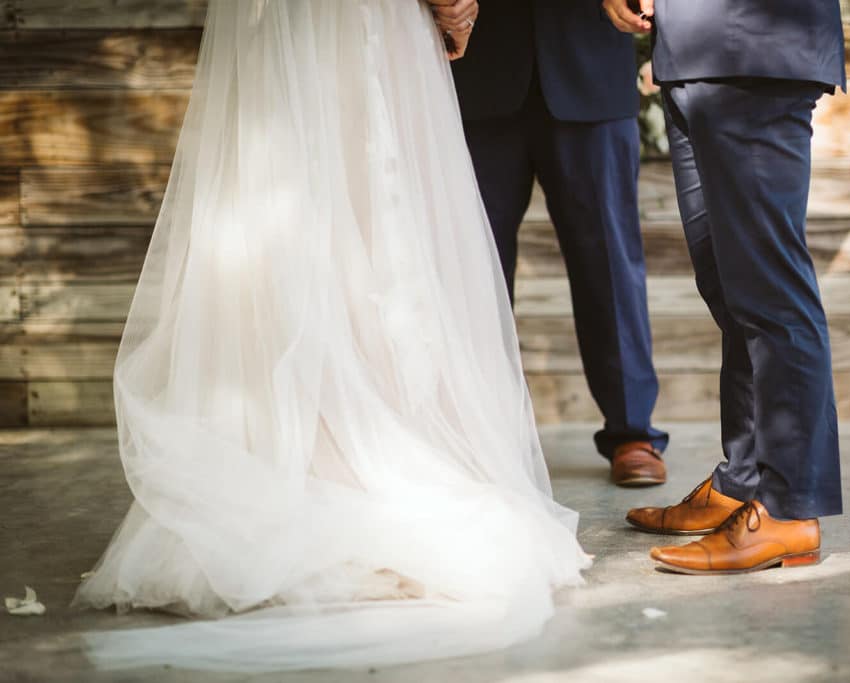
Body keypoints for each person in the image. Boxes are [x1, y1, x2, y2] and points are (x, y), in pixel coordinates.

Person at [72, 0, 589, 671]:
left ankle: (292, 446)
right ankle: (369, 448)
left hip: (280, 24)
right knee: (371, 203)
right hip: (367, 20)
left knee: (288, 199)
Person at [604, 0, 845, 574]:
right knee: (729, 286)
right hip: (689, 48)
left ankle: (788, 510)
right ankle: (743, 482)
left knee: (772, 290)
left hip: (759, 45)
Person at [446, 0, 669, 487]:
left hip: (590, 63)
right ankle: (483, 430)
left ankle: (633, 431)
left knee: (609, 261)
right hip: (476, 70)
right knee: (473, 267)